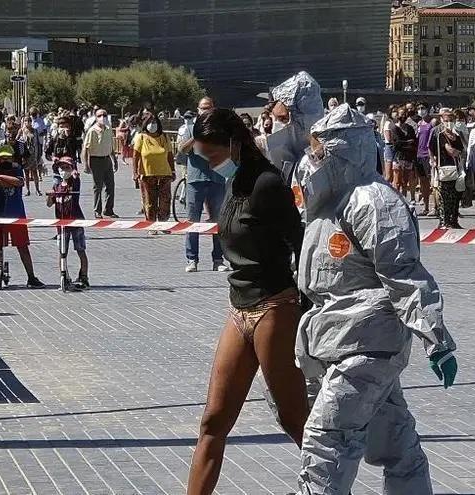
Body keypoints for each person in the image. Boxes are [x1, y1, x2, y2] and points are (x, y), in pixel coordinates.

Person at [293, 104, 457, 494]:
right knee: (394, 441)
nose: (311, 160)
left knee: (327, 438)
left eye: (319, 151)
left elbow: (403, 273)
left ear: (344, 151)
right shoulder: (327, 204)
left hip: (368, 342)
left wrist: (436, 339)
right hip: (338, 337)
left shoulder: (374, 202)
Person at [187, 108, 307, 495]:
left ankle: (331, 484)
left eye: (212, 155)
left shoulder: (268, 184)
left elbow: (301, 241)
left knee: (294, 418)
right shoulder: (234, 182)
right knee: (213, 421)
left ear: (234, 144)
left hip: (274, 306)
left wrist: (306, 302)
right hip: (238, 308)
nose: (208, 164)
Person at [0, 145, 45, 290]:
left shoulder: (17, 168)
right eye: (2, 158)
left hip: (16, 214)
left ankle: (31, 278)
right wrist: (0, 179)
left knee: (23, 247)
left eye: (8, 158)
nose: (5, 160)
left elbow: (19, 182)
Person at [176, 99, 229, 272]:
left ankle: (218, 260)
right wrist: (195, 137)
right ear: (198, 110)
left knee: (217, 221)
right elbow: (182, 150)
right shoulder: (190, 127)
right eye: (202, 109)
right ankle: (192, 259)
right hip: (195, 179)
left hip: (217, 179)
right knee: (193, 221)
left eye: (208, 108)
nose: (205, 111)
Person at [47, 156, 89, 290]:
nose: (64, 170)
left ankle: (84, 276)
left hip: (75, 220)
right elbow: (49, 204)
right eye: (62, 168)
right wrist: (50, 195)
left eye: (67, 168)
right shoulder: (57, 186)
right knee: (62, 251)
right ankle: (63, 276)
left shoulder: (74, 183)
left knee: (80, 250)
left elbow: (76, 179)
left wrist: (75, 174)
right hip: (61, 224)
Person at [133, 113, 175, 227]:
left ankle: (163, 224)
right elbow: (136, 156)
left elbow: (170, 155)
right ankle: (151, 225)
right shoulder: (141, 137)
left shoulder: (164, 137)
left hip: (164, 174)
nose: (152, 125)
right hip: (147, 175)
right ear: (145, 124)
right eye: (150, 122)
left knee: (165, 201)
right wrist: (135, 172)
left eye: (154, 122)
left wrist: (173, 171)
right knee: (149, 202)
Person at [429, 109, 465, 229]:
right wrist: (433, 161)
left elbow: (459, 151)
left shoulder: (457, 136)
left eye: (451, 120)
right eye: (446, 121)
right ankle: (443, 221)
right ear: (442, 121)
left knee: (455, 196)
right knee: (444, 196)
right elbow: (432, 148)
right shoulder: (439, 135)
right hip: (443, 168)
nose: (449, 123)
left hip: (456, 169)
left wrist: (455, 151)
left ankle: (453, 220)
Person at [82, 108, 118, 218]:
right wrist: (86, 165)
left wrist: (115, 160)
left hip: (107, 159)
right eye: (100, 115)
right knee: (98, 187)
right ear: (95, 117)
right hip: (95, 160)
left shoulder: (108, 129)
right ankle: (97, 210)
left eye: (104, 115)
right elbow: (86, 149)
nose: (102, 117)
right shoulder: (92, 131)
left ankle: (108, 210)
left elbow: (110, 146)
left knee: (110, 186)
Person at [390, 109, 417, 196]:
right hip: (398, 157)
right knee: (397, 181)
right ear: (397, 116)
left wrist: (405, 143)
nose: (403, 116)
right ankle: (397, 198)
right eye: (401, 114)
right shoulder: (394, 128)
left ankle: (405, 199)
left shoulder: (410, 128)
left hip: (408, 157)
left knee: (405, 181)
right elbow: (396, 144)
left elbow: (414, 141)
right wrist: (408, 142)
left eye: (405, 114)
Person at [415, 110, 434, 216]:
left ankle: (434, 207)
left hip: (428, 154)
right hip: (419, 155)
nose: (421, 110)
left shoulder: (432, 123)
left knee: (431, 183)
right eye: (419, 108)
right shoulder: (418, 124)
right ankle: (426, 207)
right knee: (423, 183)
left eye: (423, 108)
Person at [18, 116, 43, 197]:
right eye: (25, 121)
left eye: (29, 121)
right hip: (25, 155)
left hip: (33, 154)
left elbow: (38, 143)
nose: (27, 122)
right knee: (26, 173)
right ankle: (28, 190)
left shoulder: (35, 131)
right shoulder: (22, 130)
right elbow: (16, 140)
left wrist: (39, 154)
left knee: (35, 172)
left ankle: (37, 189)